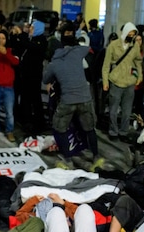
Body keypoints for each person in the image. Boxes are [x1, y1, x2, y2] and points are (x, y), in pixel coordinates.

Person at [43, 24, 100, 161]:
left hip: (67, 100)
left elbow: (46, 80)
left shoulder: (53, 63)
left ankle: (67, 156)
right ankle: (96, 155)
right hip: (85, 98)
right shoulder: (77, 52)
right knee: (90, 128)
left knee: (59, 127)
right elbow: (89, 49)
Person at [102, 22, 142, 142]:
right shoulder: (113, 46)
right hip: (115, 80)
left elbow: (138, 61)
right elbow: (106, 65)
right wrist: (105, 81)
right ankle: (113, 131)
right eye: (130, 33)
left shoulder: (135, 46)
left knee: (127, 110)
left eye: (133, 34)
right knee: (113, 109)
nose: (131, 36)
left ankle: (124, 131)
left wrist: (139, 75)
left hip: (129, 82)